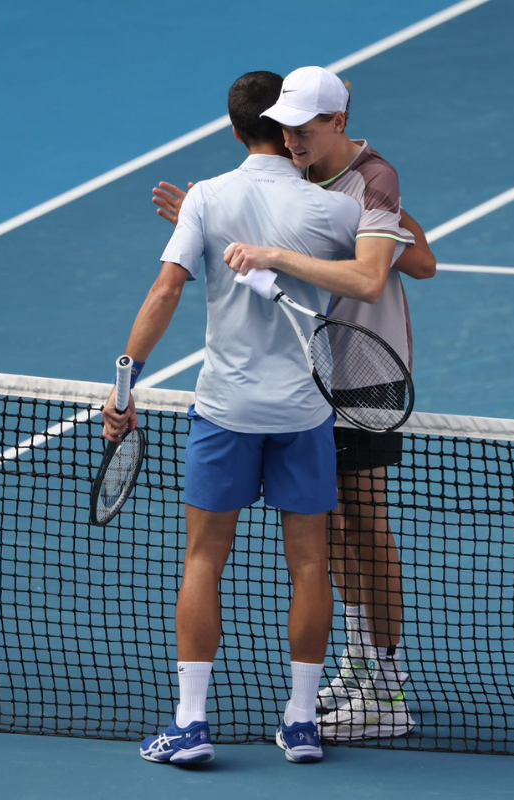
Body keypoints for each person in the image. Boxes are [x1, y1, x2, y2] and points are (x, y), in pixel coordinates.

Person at [103, 71, 390, 766]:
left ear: (235, 130)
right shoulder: (334, 210)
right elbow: (404, 264)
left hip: (226, 411)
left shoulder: (207, 197)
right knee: (311, 567)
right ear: (289, 131)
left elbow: (168, 289)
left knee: (204, 559)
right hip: (304, 413)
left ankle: (192, 724)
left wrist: (122, 388)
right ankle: (300, 722)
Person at [223, 65, 436, 743]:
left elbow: (383, 276)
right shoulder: (299, 173)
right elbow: (421, 259)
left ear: (338, 123)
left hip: (367, 377)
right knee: (336, 524)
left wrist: (277, 253)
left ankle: (391, 688)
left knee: (366, 523)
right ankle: (362, 662)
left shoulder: (373, 178)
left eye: (304, 128)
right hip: (311, 376)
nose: (290, 140)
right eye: (284, 127)